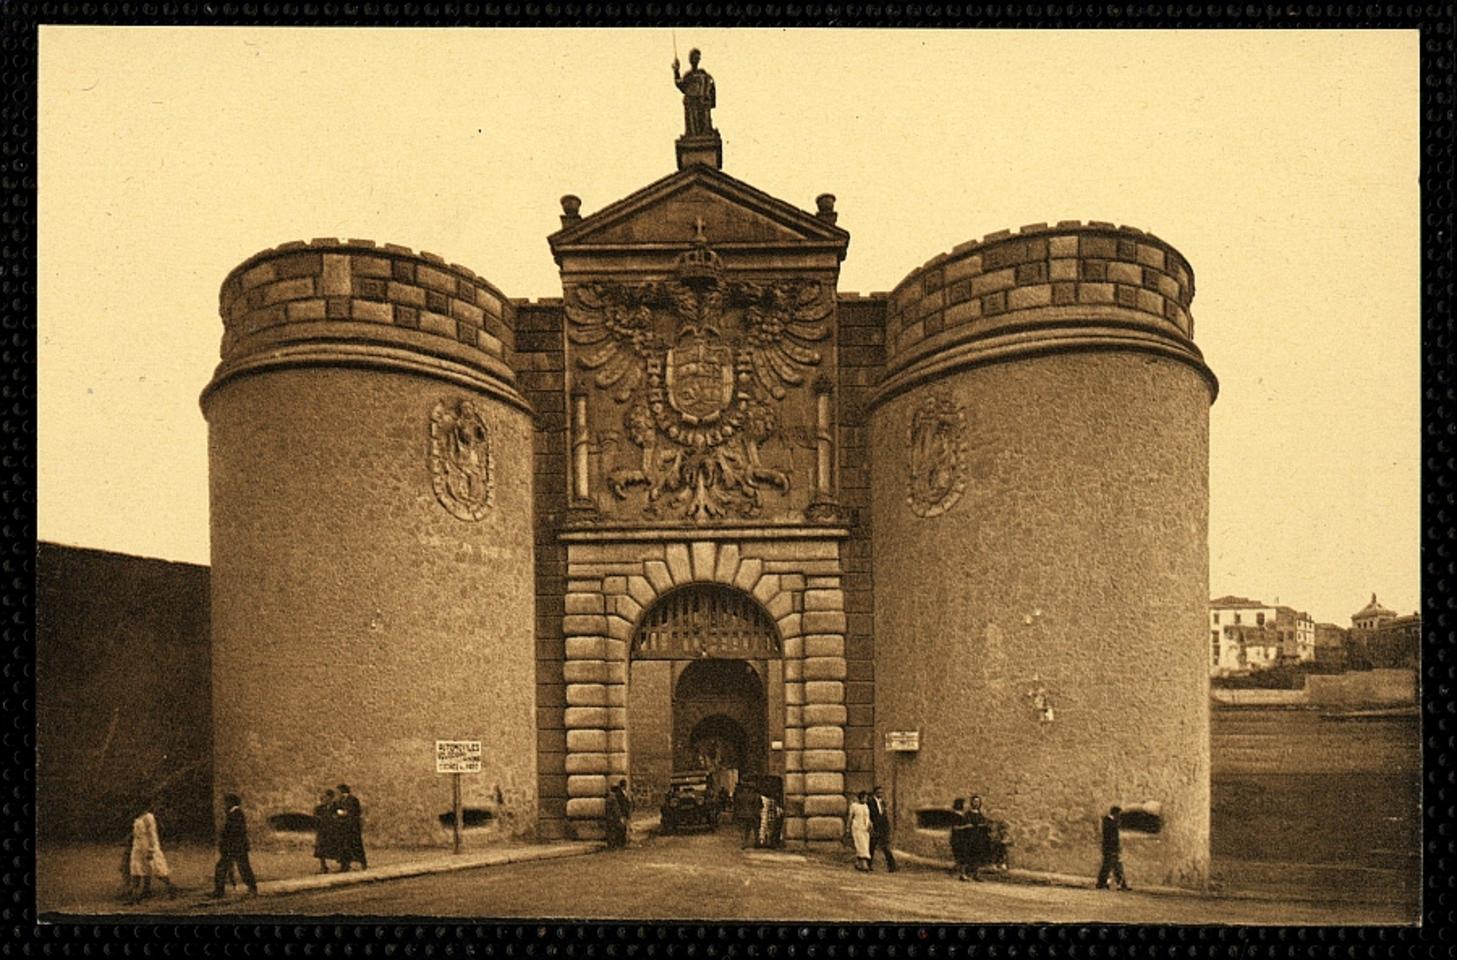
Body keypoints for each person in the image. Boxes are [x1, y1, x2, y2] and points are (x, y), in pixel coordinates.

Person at [126, 799, 178, 902]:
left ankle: (171, 888)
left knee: (157, 870)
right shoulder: (138, 818)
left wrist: (151, 849)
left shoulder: (148, 817)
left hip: (148, 846)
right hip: (138, 847)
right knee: (136, 870)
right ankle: (136, 896)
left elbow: (152, 834)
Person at [210, 793, 258, 899]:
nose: (224, 804)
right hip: (235, 847)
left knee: (239, 868)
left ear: (231, 802)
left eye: (226, 802)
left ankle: (251, 889)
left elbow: (235, 832)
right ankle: (220, 891)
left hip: (235, 847)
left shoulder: (236, 814)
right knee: (235, 868)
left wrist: (226, 843)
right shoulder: (233, 813)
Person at [671, 48, 716, 137]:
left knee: (704, 126)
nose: (694, 59)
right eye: (692, 57)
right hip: (691, 103)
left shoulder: (703, 74)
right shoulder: (688, 75)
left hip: (702, 102)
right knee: (692, 127)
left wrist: (710, 99)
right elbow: (680, 85)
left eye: (696, 57)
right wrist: (676, 71)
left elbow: (711, 85)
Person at [952, 795, 991, 882]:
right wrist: (967, 826)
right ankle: (963, 874)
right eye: (975, 802)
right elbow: (960, 826)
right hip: (969, 838)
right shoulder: (967, 814)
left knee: (977, 856)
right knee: (966, 856)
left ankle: (975, 874)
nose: (976, 803)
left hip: (978, 838)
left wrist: (984, 826)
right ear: (971, 803)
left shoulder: (980, 814)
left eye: (978, 802)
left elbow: (983, 823)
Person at [1096, 805, 1131, 891]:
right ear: (1115, 814)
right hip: (1110, 848)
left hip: (1111, 848)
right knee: (1111, 866)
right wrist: (1115, 848)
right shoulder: (1110, 822)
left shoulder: (1109, 822)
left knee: (1114, 866)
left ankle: (1119, 884)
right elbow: (1111, 837)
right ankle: (1104, 883)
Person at [867, 785, 897, 873]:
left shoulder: (883, 803)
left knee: (886, 847)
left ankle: (892, 866)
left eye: (881, 792)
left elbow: (884, 815)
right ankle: (868, 865)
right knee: (871, 847)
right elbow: (870, 815)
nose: (880, 794)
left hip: (882, 828)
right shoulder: (870, 802)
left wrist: (887, 827)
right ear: (875, 793)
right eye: (879, 792)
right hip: (875, 828)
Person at [336, 784, 367, 870]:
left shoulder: (353, 800)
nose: (337, 793)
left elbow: (356, 812)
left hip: (353, 827)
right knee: (344, 846)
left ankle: (363, 862)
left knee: (356, 845)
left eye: (338, 791)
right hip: (343, 826)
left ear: (342, 790)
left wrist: (346, 813)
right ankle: (345, 865)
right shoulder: (340, 800)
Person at [312, 788, 341, 873]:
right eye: (322, 797)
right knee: (321, 847)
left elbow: (341, 815)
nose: (322, 799)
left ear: (330, 797)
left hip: (334, 830)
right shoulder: (319, 808)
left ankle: (344, 865)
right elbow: (315, 818)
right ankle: (323, 866)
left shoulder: (337, 806)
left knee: (338, 847)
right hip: (323, 830)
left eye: (325, 797)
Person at [847, 791, 873, 871]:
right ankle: (864, 865)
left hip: (865, 829)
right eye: (865, 798)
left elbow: (868, 817)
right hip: (857, 828)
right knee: (861, 846)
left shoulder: (866, 806)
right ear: (860, 798)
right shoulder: (854, 806)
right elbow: (850, 817)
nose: (866, 800)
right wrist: (847, 828)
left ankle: (858, 864)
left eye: (866, 798)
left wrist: (870, 824)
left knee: (865, 845)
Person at [733, 779, 760, 848]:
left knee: (745, 830)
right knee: (756, 829)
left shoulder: (740, 796)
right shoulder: (756, 796)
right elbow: (759, 806)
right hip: (753, 815)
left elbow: (737, 805)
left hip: (743, 815)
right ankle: (756, 843)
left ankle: (744, 843)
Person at [605, 779, 631, 848]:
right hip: (615, 817)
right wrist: (620, 816)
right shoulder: (613, 798)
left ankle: (617, 844)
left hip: (616, 816)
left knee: (617, 830)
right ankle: (617, 844)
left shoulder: (612, 798)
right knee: (616, 830)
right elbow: (616, 808)